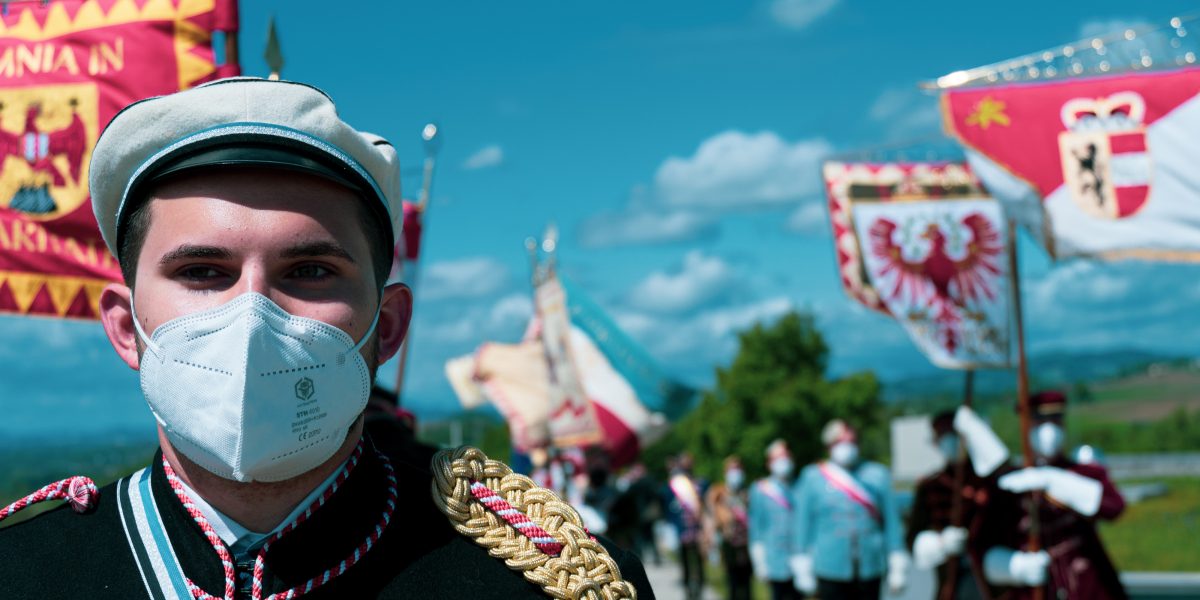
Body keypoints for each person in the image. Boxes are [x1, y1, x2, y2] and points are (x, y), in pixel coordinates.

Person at [0, 78, 651, 600]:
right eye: (202, 272)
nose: (251, 314)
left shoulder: (548, 583)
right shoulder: (22, 572)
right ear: (123, 326)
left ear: (388, 327)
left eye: (309, 271)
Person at [980, 390, 1127, 599]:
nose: (1048, 428)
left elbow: (1115, 507)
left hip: (1088, 588)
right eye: (1039, 420)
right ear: (1026, 425)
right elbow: (983, 545)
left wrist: (1054, 480)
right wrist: (1015, 567)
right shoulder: (1011, 483)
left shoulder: (1086, 472)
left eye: (1055, 419)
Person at [790, 420, 907, 600]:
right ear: (829, 446)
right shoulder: (812, 477)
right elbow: (802, 523)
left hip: (870, 564)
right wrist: (802, 562)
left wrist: (897, 562)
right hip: (829, 565)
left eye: (851, 441)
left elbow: (892, 522)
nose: (846, 446)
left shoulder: (877, 475)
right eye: (839, 442)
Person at [908, 407, 1011, 599]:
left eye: (954, 435)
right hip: (950, 581)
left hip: (990, 577)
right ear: (936, 442)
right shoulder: (930, 486)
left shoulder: (987, 480)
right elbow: (912, 538)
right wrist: (940, 544)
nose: (950, 442)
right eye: (944, 436)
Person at [749, 439, 798, 600]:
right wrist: (759, 560)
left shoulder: (800, 486)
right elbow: (756, 527)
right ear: (769, 463)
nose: (782, 461)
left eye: (785, 456)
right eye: (777, 458)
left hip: (798, 558)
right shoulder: (761, 489)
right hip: (774, 558)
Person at [705, 456, 752, 600]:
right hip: (729, 543)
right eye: (732, 469)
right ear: (725, 472)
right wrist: (711, 542)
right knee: (732, 582)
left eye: (738, 469)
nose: (735, 473)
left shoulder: (747, 493)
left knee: (747, 584)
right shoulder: (718, 493)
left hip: (746, 543)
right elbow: (710, 518)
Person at [665, 452, 708, 600]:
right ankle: (688, 590)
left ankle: (700, 587)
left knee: (699, 561)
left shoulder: (700, 483)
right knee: (685, 563)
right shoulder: (675, 485)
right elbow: (668, 507)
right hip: (681, 530)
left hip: (697, 530)